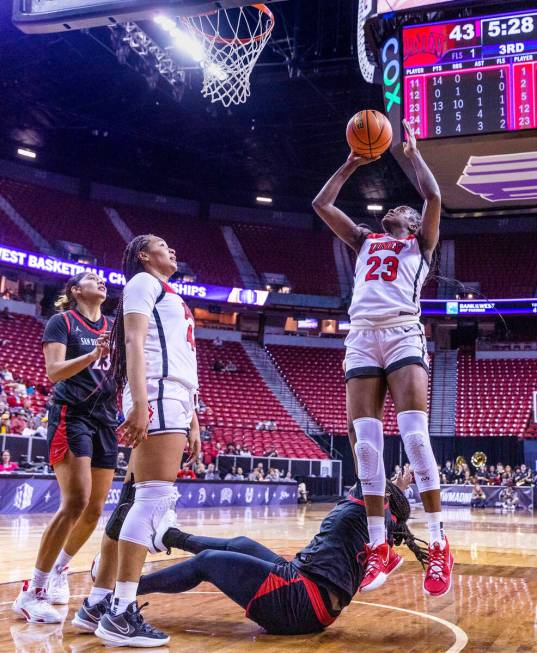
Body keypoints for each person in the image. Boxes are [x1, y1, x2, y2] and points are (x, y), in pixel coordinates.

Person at [312, 119, 452, 597]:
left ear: (413, 226)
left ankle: (437, 542)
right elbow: (321, 204)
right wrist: (351, 163)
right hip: (361, 337)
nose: (398, 207)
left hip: (401, 333)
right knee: (367, 449)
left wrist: (412, 156)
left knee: (414, 438)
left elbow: (433, 199)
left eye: (404, 209)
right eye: (394, 206)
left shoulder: (421, 244)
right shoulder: (363, 239)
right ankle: (378, 548)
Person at [87, 478, 427, 636]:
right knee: (243, 544)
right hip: (304, 582)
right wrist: (395, 487)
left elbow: (364, 458)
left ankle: (124, 594)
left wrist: (390, 484)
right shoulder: (378, 520)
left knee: (209, 562)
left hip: (302, 604)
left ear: (382, 499)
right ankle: (167, 537)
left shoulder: (372, 514)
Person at [93, 234, 200, 648]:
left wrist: (192, 418)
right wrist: (140, 401)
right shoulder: (142, 282)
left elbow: (183, 357)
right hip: (155, 390)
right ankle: (120, 613)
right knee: (152, 499)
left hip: (172, 393)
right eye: (161, 244)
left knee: (139, 497)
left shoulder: (168, 290)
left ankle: (101, 604)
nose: (172, 249)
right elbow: (134, 342)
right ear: (143, 255)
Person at [12, 272, 117, 624]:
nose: (100, 282)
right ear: (75, 290)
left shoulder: (114, 326)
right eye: (91, 279)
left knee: (95, 508)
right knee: (75, 501)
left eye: (103, 280)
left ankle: (58, 570)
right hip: (72, 415)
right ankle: (33, 590)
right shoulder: (63, 322)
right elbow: (54, 372)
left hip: (106, 418)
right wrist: (91, 355)